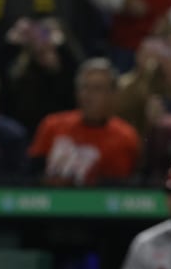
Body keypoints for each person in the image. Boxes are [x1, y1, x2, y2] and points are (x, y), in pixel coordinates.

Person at [28, 58, 140, 186]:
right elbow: (30, 176)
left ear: (113, 94)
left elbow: (122, 189)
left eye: (97, 89)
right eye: (84, 87)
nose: (88, 95)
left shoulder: (125, 137)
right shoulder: (52, 125)